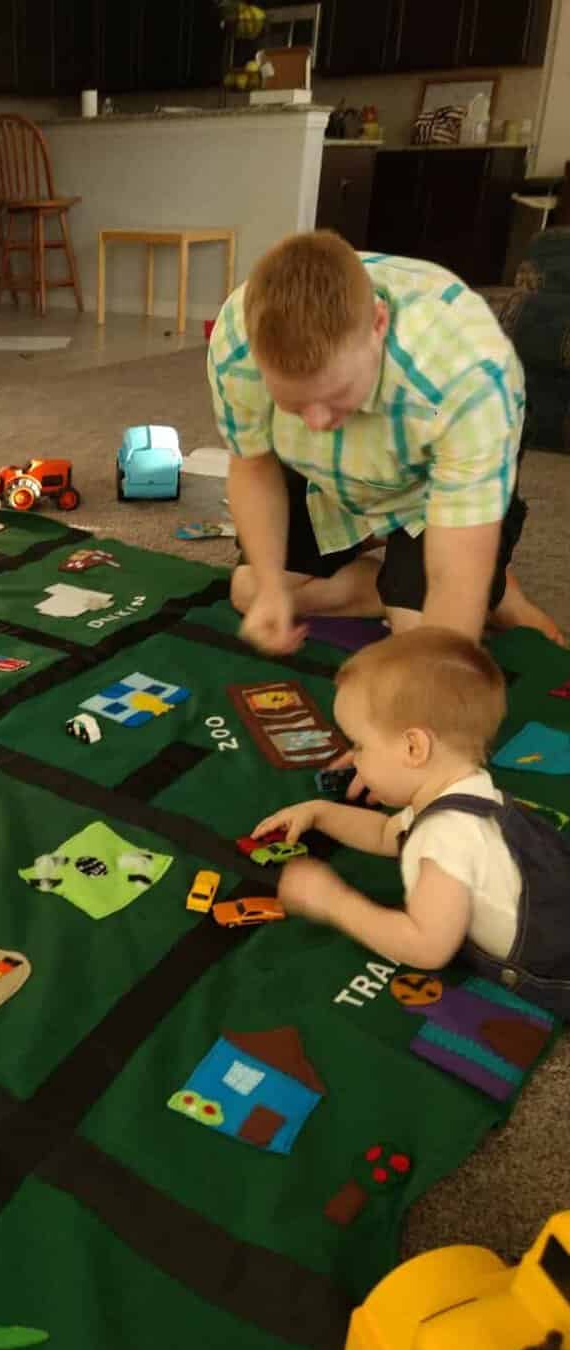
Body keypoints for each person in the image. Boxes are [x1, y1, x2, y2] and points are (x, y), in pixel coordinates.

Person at [207, 230, 563, 658]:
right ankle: (395, 578)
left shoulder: (468, 374)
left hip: (433, 473)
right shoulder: (237, 340)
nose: (317, 423)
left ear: (378, 325)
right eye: (295, 405)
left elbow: (459, 554)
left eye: (335, 395)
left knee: (421, 637)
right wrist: (270, 587)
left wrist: (444, 653)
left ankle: (493, 588)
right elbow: (253, 466)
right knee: (249, 592)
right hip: (335, 469)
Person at [249, 628, 570, 1015]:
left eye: (360, 745)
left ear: (414, 748)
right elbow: (388, 833)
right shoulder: (468, 788)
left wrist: (333, 902)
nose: (355, 759)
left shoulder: (445, 838)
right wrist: (321, 812)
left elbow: (427, 947)